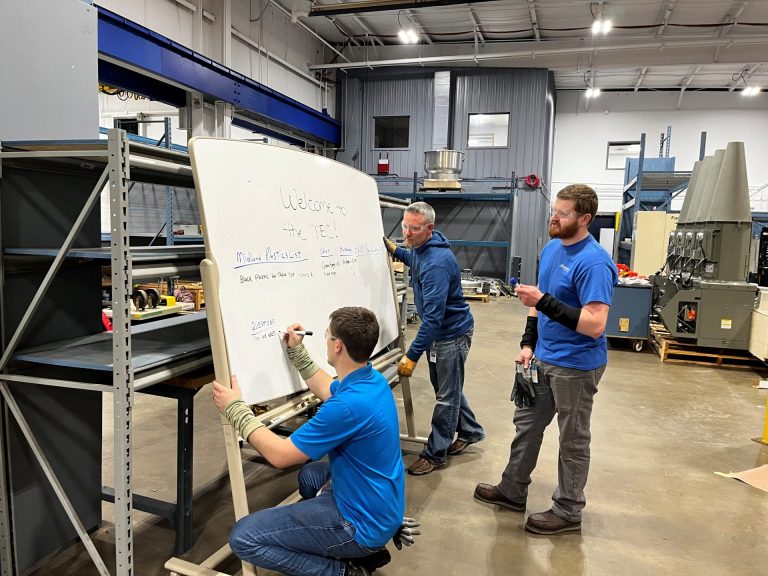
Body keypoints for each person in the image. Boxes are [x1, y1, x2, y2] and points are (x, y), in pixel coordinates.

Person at [212, 306, 405, 576]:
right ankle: (358, 547)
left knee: (244, 537)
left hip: (360, 524)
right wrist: (297, 352)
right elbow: (327, 387)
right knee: (310, 476)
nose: (325, 341)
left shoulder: (347, 407)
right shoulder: (372, 381)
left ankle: (342, 570)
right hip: (384, 508)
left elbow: (280, 455)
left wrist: (235, 409)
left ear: (337, 346)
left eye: (327, 337)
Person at [473, 184, 617, 535]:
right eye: (554, 210)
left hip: (577, 366)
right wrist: (528, 342)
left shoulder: (595, 262)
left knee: (572, 440)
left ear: (584, 219)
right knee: (527, 427)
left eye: (564, 213)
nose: (554, 216)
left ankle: (568, 510)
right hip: (542, 358)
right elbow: (540, 304)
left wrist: (544, 301)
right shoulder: (552, 249)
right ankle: (512, 489)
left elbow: (595, 325)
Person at [384, 201, 485, 476]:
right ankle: (471, 431)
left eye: (413, 229)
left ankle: (435, 453)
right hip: (442, 333)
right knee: (448, 389)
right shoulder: (422, 248)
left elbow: (432, 320)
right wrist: (398, 252)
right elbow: (414, 257)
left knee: (445, 397)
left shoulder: (437, 265)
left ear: (430, 229)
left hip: (450, 335)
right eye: (405, 226)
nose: (406, 233)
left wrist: (411, 356)